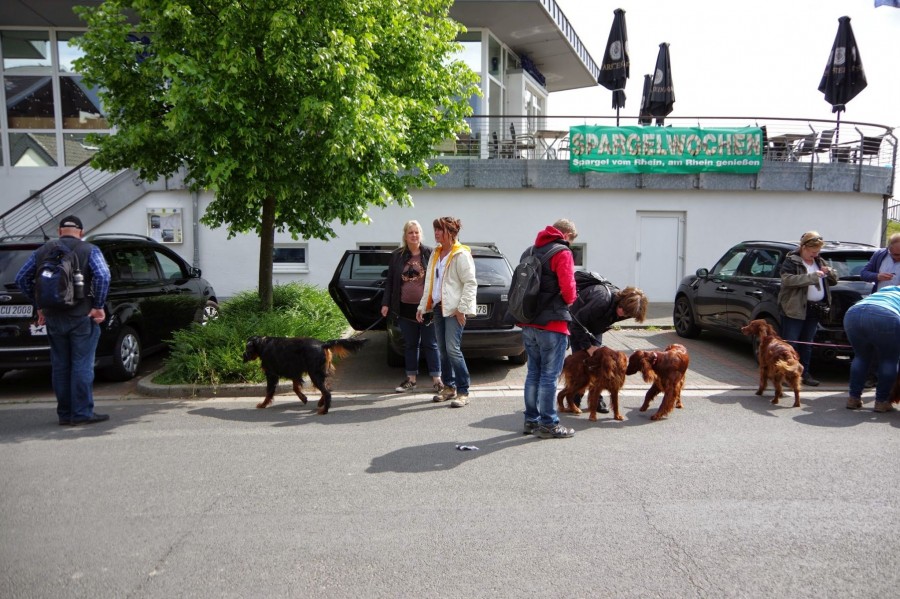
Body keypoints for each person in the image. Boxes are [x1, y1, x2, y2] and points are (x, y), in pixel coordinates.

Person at [15, 215, 112, 426]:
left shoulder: (42, 251)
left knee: (60, 366)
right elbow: (103, 275)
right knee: (82, 364)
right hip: (82, 316)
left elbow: (21, 278)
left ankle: (65, 414)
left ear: (59, 231)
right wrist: (98, 305)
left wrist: (39, 305)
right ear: (81, 232)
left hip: (53, 317)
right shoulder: (89, 249)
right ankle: (82, 413)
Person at [517, 219, 578, 439]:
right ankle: (549, 424)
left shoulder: (529, 251)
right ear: (567, 235)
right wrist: (570, 300)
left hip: (528, 322)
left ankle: (531, 420)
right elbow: (569, 290)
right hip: (552, 324)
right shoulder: (562, 252)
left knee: (533, 372)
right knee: (549, 377)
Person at [417, 216, 477, 408]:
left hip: (453, 310)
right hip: (438, 307)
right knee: (442, 351)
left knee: (452, 349)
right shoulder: (436, 253)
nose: (436, 233)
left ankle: (463, 391)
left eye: (440, 230)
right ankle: (449, 387)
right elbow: (430, 283)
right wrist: (422, 306)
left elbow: (470, 283)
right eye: (435, 229)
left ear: (451, 233)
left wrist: (462, 309)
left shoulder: (461, 254)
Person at [568, 272, 648, 412]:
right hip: (577, 326)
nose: (623, 314)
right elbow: (576, 324)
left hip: (594, 328)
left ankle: (595, 400)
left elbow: (608, 318)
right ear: (621, 301)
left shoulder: (625, 309)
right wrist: (588, 346)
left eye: (628, 314)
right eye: (624, 311)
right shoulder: (601, 300)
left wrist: (595, 344)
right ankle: (574, 399)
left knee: (597, 364)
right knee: (582, 364)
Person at [381, 220, 442, 394]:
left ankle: (437, 380)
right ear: (405, 236)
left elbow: (439, 278)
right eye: (410, 232)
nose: (414, 235)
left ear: (421, 234)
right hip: (405, 309)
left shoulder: (431, 253)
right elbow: (390, 282)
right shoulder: (397, 255)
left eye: (416, 232)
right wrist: (385, 303)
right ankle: (411, 379)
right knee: (410, 345)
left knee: (431, 344)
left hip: (427, 309)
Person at [777, 231, 837, 387]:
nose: (815, 255)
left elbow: (834, 281)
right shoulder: (791, 261)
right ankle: (787, 375)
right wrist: (813, 276)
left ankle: (804, 374)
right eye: (812, 252)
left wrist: (830, 272)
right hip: (794, 308)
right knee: (791, 344)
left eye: (817, 252)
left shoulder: (819, 261)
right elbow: (787, 280)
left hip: (814, 309)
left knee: (807, 344)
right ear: (803, 247)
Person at [843, 285, 900, 413]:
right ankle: (881, 401)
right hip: (886, 315)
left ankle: (853, 398)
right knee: (889, 360)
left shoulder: (885, 290)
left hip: (853, 313)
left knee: (861, 357)